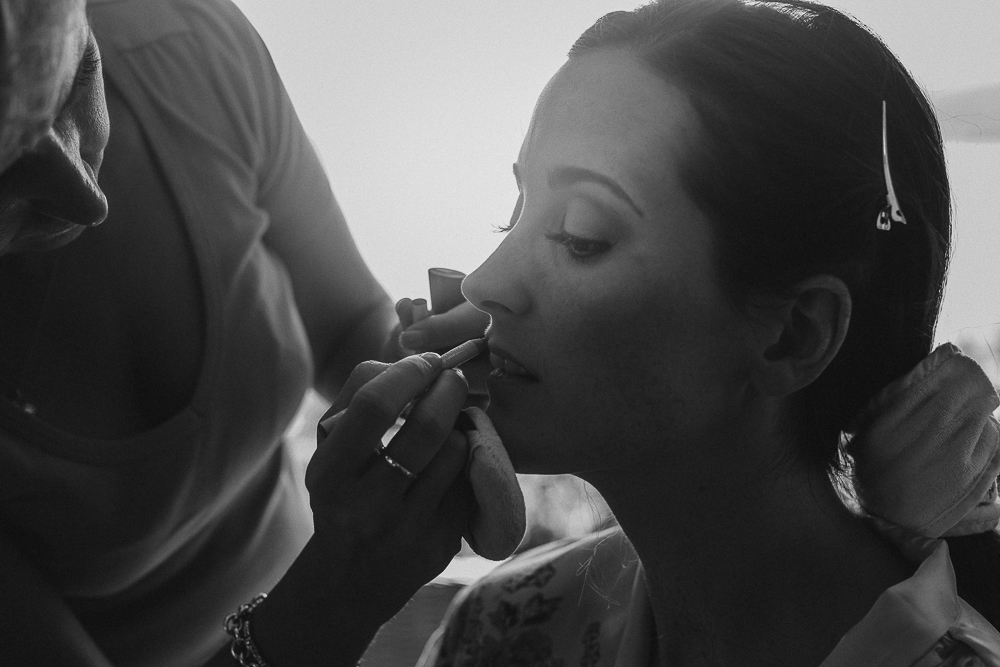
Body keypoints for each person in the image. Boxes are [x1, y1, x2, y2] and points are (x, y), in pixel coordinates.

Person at [411, 0, 1000, 664]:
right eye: (514, 213)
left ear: (795, 335)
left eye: (581, 235)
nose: (482, 281)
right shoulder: (499, 630)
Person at [0, 0, 487, 664]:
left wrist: (435, 367)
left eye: (66, 91)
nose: (83, 194)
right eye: (3, 172)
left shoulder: (185, 40)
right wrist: (338, 593)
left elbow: (347, 327)